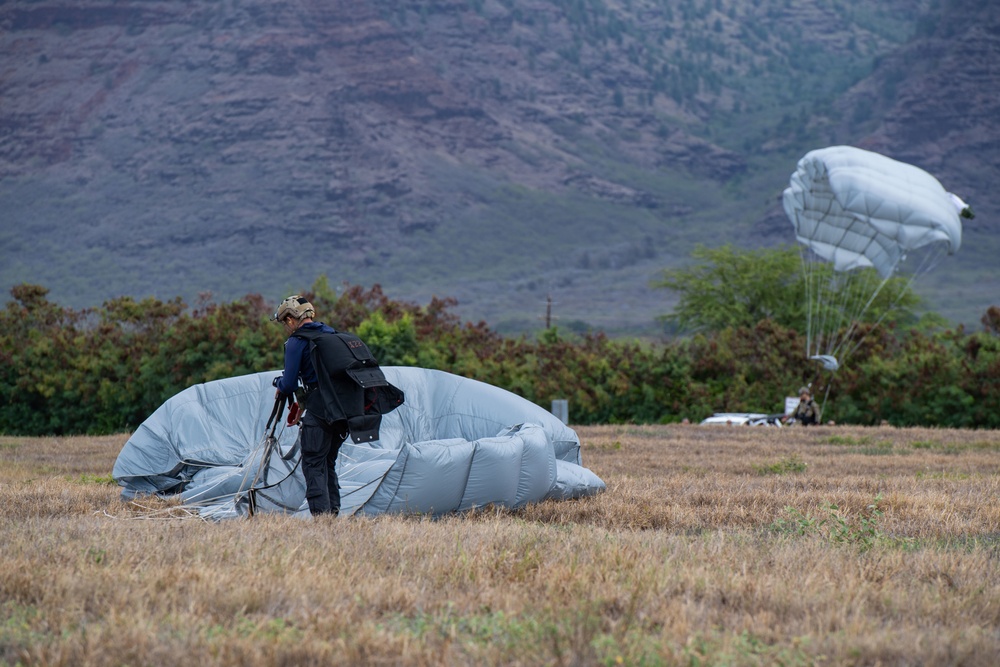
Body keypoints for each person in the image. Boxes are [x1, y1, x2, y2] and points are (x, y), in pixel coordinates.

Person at [271, 294, 403, 516]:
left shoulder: (297, 341)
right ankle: (333, 513)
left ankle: (322, 519)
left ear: (291, 319)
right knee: (328, 462)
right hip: (342, 413)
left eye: (286, 321)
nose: (286, 326)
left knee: (313, 462)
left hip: (319, 411)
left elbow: (290, 383)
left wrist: (278, 382)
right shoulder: (331, 333)